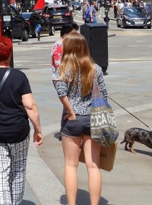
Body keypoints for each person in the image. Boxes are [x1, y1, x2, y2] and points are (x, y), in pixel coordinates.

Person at [0, 36, 42, 205]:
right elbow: (29, 106)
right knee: (18, 170)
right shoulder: (19, 77)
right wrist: (38, 130)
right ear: (9, 54)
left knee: (0, 172)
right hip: (19, 130)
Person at [55, 32, 106, 205]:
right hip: (93, 119)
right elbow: (103, 95)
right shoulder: (95, 68)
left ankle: (71, 203)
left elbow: (61, 92)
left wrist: (71, 112)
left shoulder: (64, 68)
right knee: (93, 165)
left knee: (71, 165)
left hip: (73, 119)